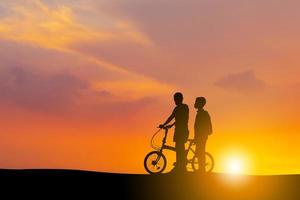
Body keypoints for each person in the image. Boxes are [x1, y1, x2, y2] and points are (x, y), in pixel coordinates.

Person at [159, 92, 189, 173]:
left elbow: (179, 119)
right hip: (178, 131)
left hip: (182, 131)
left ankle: (181, 166)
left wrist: (168, 124)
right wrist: (167, 125)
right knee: (178, 148)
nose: (175, 101)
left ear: (180, 99)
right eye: (175, 99)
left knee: (180, 148)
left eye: (176, 99)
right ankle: (180, 165)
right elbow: (174, 117)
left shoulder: (184, 107)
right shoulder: (178, 108)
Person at [194, 97, 212, 173]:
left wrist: (199, 135)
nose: (194, 103)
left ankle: (202, 169)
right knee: (199, 151)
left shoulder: (203, 114)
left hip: (201, 136)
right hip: (200, 136)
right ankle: (201, 168)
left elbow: (201, 126)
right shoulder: (200, 113)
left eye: (196, 102)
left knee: (200, 151)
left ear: (200, 104)